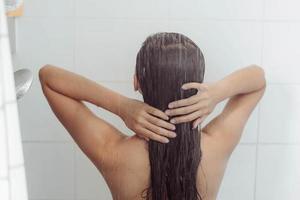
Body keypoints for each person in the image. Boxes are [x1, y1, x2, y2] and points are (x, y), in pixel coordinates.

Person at [39, 32, 266, 200]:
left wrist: (120, 105)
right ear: (198, 85)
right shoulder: (217, 145)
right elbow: (258, 79)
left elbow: (48, 77)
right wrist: (216, 93)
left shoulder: (113, 152)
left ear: (136, 81)